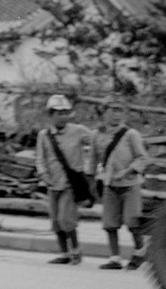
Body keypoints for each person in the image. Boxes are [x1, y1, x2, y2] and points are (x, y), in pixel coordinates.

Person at [34, 93, 96, 265]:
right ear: (50, 115)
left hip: (70, 184)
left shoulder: (78, 131)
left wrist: (92, 165)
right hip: (53, 183)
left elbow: (97, 142)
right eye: (58, 113)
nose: (63, 117)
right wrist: (43, 173)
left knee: (66, 220)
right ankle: (64, 253)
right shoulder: (44, 135)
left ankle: (75, 251)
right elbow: (40, 157)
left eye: (65, 112)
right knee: (55, 221)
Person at [94, 103, 151, 270]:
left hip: (130, 184)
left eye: (120, 111)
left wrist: (127, 171)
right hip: (109, 184)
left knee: (132, 222)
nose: (117, 115)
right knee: (109, 223)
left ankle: (140, 252)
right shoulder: (98, 135)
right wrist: (92, 179)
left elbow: (143, 158)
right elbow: (93, 160)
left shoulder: (131, 134)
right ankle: (114, 258)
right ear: (104, 112)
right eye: (113, 110)